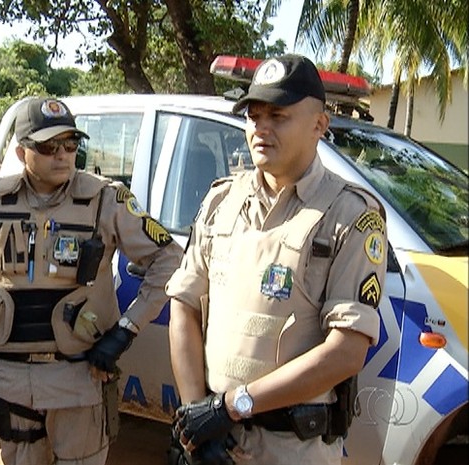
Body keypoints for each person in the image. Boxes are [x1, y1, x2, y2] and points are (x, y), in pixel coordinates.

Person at [166, 54, 387, 465]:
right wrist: (197, 417)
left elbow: (346, 351)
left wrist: (230, 406)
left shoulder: (351, 215)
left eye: (278, 116)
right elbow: (184, 305)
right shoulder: (221, 201)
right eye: (254, 116)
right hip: (216, 441)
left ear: (319, 125)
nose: (260, 128)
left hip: (291, 448)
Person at [0, 96, 182, 465]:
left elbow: (168, 258)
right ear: (22, 151)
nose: (62, 154)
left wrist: (126, 329)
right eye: (48, 146)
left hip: (79, 378)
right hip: (12, 379)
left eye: (70, 144)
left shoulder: (107, 199)